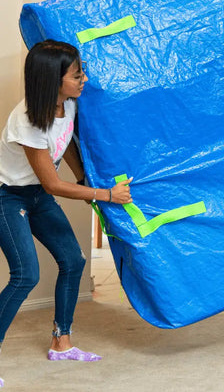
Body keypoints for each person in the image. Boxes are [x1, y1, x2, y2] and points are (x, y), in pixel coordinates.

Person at [0, 40, 133, 387]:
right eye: (77, 75)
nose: (84, 79)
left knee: (73, 261)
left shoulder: (68, 104)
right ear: (53, 80)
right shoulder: (28, 120)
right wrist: (103, 194)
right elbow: (52, 184)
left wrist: (83, 179)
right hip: (8, 198)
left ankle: (62, 342)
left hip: (37, 196)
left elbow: (68, 143)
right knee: (25, 275)